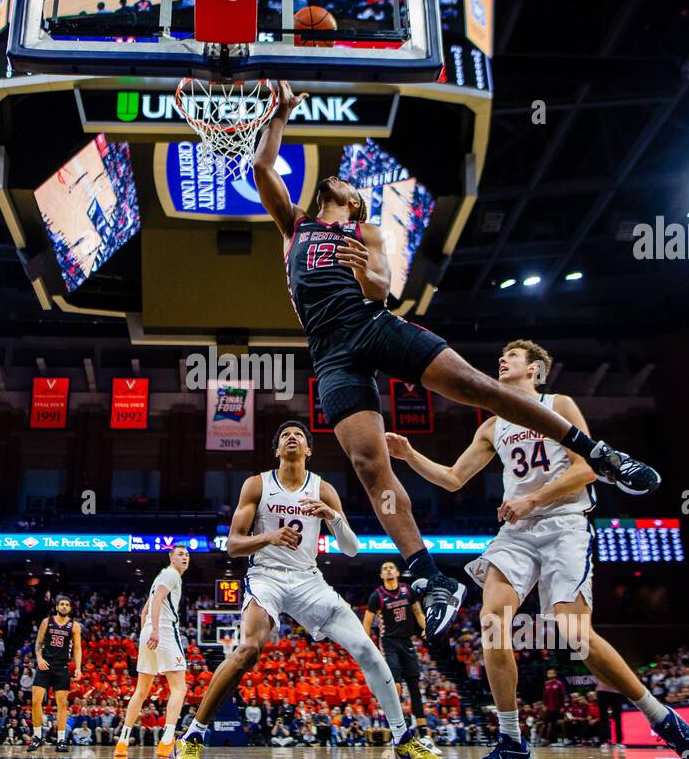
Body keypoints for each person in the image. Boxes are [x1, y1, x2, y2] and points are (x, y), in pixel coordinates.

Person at [252, 81, 660, 644]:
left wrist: (360, 270)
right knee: (370, 465)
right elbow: (262, 166)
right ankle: (428, 577)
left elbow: (381, 290)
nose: (338, 182)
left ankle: (599, 453)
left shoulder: (364, 230)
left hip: (373, 326)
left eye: (347, 186)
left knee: (476, 387)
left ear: (355, 202)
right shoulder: (297, 225)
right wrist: (279, 114)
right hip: (332, 353)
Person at [387, 340, 689, 759]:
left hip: (564, 523)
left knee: (573, 632)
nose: (501, 359)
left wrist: (534, 499)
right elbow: (451, 479)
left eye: (513, 356)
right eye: (500, 355)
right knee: (492, 621)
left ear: (535, 370)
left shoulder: (558, 404)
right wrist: (410, 455)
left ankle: (661, 717)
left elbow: (589, 467)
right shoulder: (491, 425)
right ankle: (511, 741)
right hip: (517, 533)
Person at [170, 420, 439, 759]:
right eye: (285, 436)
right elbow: (234, 545)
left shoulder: (323, 489)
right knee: (249, 648)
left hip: (310, 581)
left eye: (299, 435)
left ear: (309, 450)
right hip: (266, 577)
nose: (292, 437)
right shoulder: (257, 484)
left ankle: (403, 740)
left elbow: (352, 549)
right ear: (277, 450)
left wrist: (334, 518)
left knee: (368, 651)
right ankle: (192, 736)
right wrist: (268, 537)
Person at [115, 545, 190, 757]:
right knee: (179, 687)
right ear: (171, 557)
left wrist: (146, 632)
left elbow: (144, 611)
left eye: (186, 555)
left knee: (141, 690)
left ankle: (122, 741)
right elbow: (156, 601)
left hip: (148, 632)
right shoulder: (171, 574)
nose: (184, 558)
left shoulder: (160, 577)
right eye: (180, 554)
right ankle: (167, 740)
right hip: (163, 630)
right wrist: (156, 629)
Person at [361, 560, 428, 732]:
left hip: (407, 641)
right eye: (385, 569)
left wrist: (426, 628)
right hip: (389, 642)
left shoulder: (407, 591)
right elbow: (367, 623)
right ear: (381, 575)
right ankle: (398, 725)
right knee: (396, 684)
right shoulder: (377, 596)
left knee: (414, 685)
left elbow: (418, 612)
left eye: (391, 567)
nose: (389, 570)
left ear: (398, 573)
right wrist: (366, 645)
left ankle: (422, 729)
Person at [29, 595, 82, 752]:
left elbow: (77, 648)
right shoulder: (47, 622)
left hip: (62, 667)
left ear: (70, 608)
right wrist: (38, 658)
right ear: (57, 607)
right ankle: (37, 736)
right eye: (62, 604)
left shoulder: (74, 626)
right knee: (35, 701)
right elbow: (38, 644)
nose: (64, 607)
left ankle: (61, 740)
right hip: (45, 665)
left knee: (62, 704)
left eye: (67, 605)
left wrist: (78, 667)